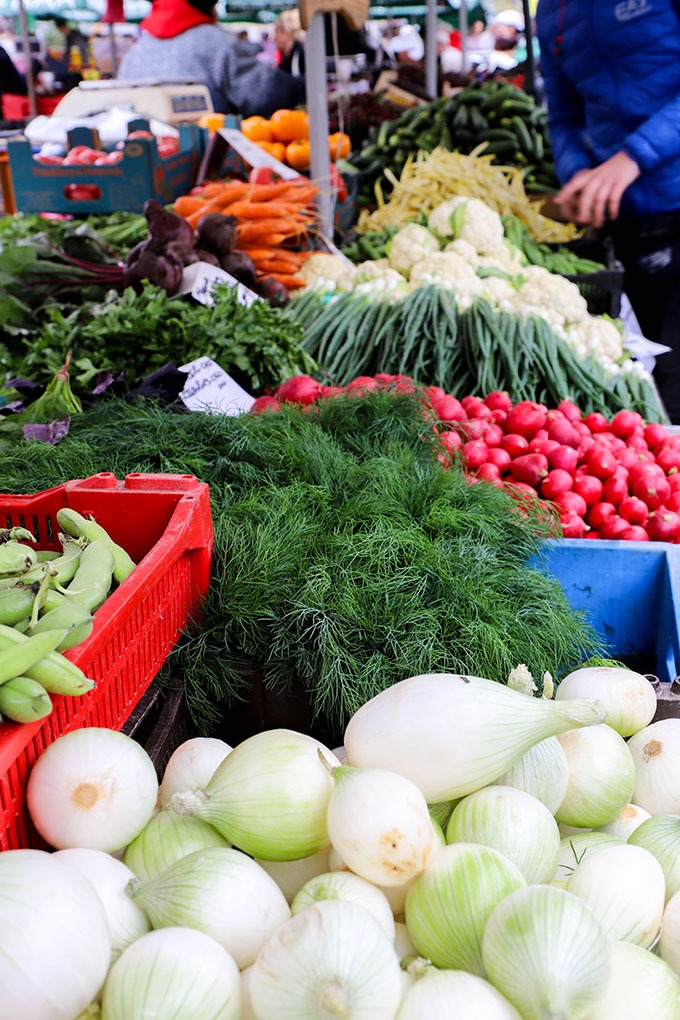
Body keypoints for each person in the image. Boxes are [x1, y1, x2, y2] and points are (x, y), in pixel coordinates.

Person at [536, 1, 680, 424]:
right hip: (625, 225)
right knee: (646, 378)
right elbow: (562, 114)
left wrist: (633, 156)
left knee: (674, 382)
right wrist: (576, 171)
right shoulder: (551, 12)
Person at [117, 0, 305, 118]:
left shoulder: (135, 52)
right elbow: (261, 96)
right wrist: (301, 85)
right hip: (210, 162)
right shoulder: (217, 42)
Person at [273, 9, 305, 78]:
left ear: (285, 33)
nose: (274, 38)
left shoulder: (301, 55)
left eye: (276, 32)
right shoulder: (287, 57)